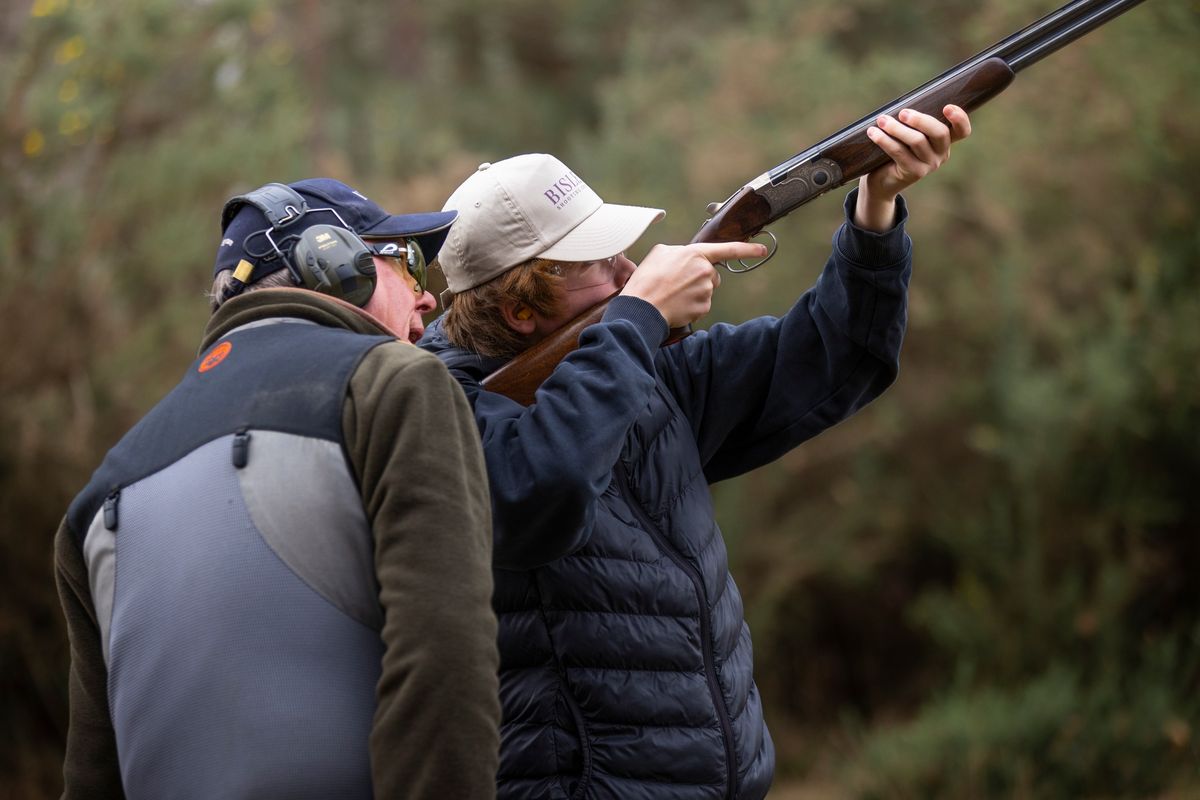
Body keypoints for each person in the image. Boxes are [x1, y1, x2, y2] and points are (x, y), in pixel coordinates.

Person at [419, 105, 973, 799]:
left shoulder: (636, 364)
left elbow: (838, 358)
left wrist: (875, 210)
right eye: (599, 263)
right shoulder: (437, 407)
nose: (631, 270)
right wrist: (639, 318)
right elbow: (538, 492)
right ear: (522, 309)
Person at [54, 178, 501, 799]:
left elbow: (90, 776)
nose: (429, 301)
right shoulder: (394, 384)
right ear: (336, 264)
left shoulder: (102, 494)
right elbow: (444, 664)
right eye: (409, 263)